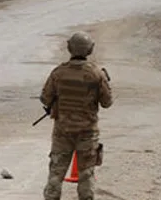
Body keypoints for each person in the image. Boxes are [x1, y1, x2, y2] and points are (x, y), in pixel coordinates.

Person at [40, 31, 113, 200]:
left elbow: (45, 98)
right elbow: (107, 102)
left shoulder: (58, 73)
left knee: (56, 172)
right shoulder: (96, 74)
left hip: (62, 130)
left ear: (70, 48)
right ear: (90, 50)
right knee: (86, 173)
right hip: (87, 132)